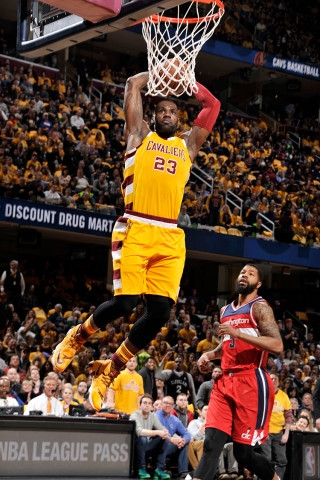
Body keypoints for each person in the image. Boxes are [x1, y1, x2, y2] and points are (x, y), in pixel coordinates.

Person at [51, 70, 221, 411]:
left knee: (159, 312)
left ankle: (108, 372)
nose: (169, 114)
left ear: (179, 118)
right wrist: (159, 72)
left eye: (174, 111)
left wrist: (188, 80)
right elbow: (132, 84)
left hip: (170, 235)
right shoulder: (138, 135)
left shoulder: (187, 146)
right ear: (152, 116)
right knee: (126, 304)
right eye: (163, 111)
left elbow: (212, 104)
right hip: (137, 226)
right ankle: (78, 336)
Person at [193, 264, 283, 480]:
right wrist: (209, 355)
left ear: (258, 284)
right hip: (225, 381)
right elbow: (226, 346)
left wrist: (238, 333)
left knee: (243, 454)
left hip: (251, 381)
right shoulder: (225, 310)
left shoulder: (260, 307)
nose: (245, 274)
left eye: (250, 274)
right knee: (211, 445)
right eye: (242, 272)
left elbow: (277, 345)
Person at [130, 393, 170, 480]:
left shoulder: (153, 416)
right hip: (135, 449)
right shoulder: (135, 415)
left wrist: (165, 433)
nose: (147, 405)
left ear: (152, 407)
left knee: (164, 439)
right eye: (144, 403)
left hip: (146, 448)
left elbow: (162, 429)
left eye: (149, 403)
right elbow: (140, 432)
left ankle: (159, 469)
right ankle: (142, 469)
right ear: (140, 405)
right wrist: (157, 432)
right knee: (143, 439)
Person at [259, 373, 292, 480]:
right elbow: (258, 414)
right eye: (270, 378)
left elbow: (288, 417)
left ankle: (277, 478)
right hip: (265, 431)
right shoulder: (263, 394)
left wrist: (286, 434)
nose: (272, 380)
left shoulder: (284, 396)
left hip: (279, 433)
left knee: (282, 461)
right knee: (266, 459)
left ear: (278, 382)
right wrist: (263, 431)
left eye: (275, 379)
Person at [155, 396, 191, 479]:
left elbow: (186, 434)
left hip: (168, 448)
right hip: (156, 447)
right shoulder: (155, 416)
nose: (168, 405)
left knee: (183, 443)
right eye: (166, 403)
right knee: (164, 440)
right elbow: (161, 434)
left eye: (170, 404)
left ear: (173, 406)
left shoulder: (175, 420)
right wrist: (172, 440)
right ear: (161, 404)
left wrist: (183, 440)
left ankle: (183, 472)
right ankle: (162, 469)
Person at [187, 405, 208, 470]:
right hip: (197, 444)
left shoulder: (214, 423)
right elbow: (195, 437)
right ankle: (200, 469)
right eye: (206, 410)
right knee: (200, 443)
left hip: (211, 444)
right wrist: (204, 425)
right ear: (200, 412)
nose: (208, 412)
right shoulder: (194, 422)